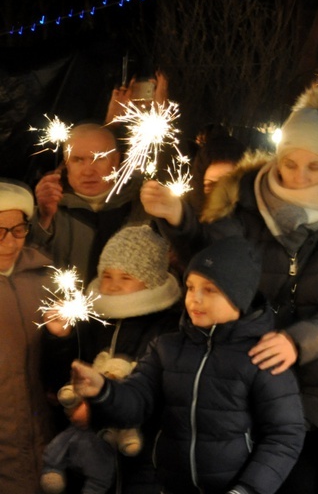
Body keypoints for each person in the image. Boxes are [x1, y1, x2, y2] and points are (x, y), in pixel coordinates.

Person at [140, 84, 318, 493]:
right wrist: (180, 219)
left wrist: (297, 342)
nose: (298, 176)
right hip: (257, 382)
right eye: (290, 163)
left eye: (314, 166)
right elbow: (215, 262)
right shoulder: (245, 206)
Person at [71, 236, 306, 494]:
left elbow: (284, 435)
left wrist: (249, 489)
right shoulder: (166, 348)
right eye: (191, 287)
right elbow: (136, 402)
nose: (195, 299)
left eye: (210, 289)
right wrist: (103, 390)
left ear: (239, 296)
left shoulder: (262, 356)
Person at [43, 224, 182, 493]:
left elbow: (156, 396)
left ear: (151, 279)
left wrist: (95, 413)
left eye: (126, 277)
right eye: (107, 275)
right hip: (88, 460)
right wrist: (60, 339)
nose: (114, 285)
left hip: (144, 464)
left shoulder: (167, 327)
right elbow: (59, 382)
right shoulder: (90, 320)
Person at [29, 122, 148, 287]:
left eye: (99, 158)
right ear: (66, 163)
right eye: (78, 160)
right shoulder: (45, 208)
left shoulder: (144, 205)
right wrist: (43, 219)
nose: (88, 171)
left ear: (116, 159)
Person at [0, 177, 57, 494]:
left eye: (18, 230)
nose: (10, 243)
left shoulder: (43, 277)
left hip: (43, 438)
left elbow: (58, 357)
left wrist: (61, 338)